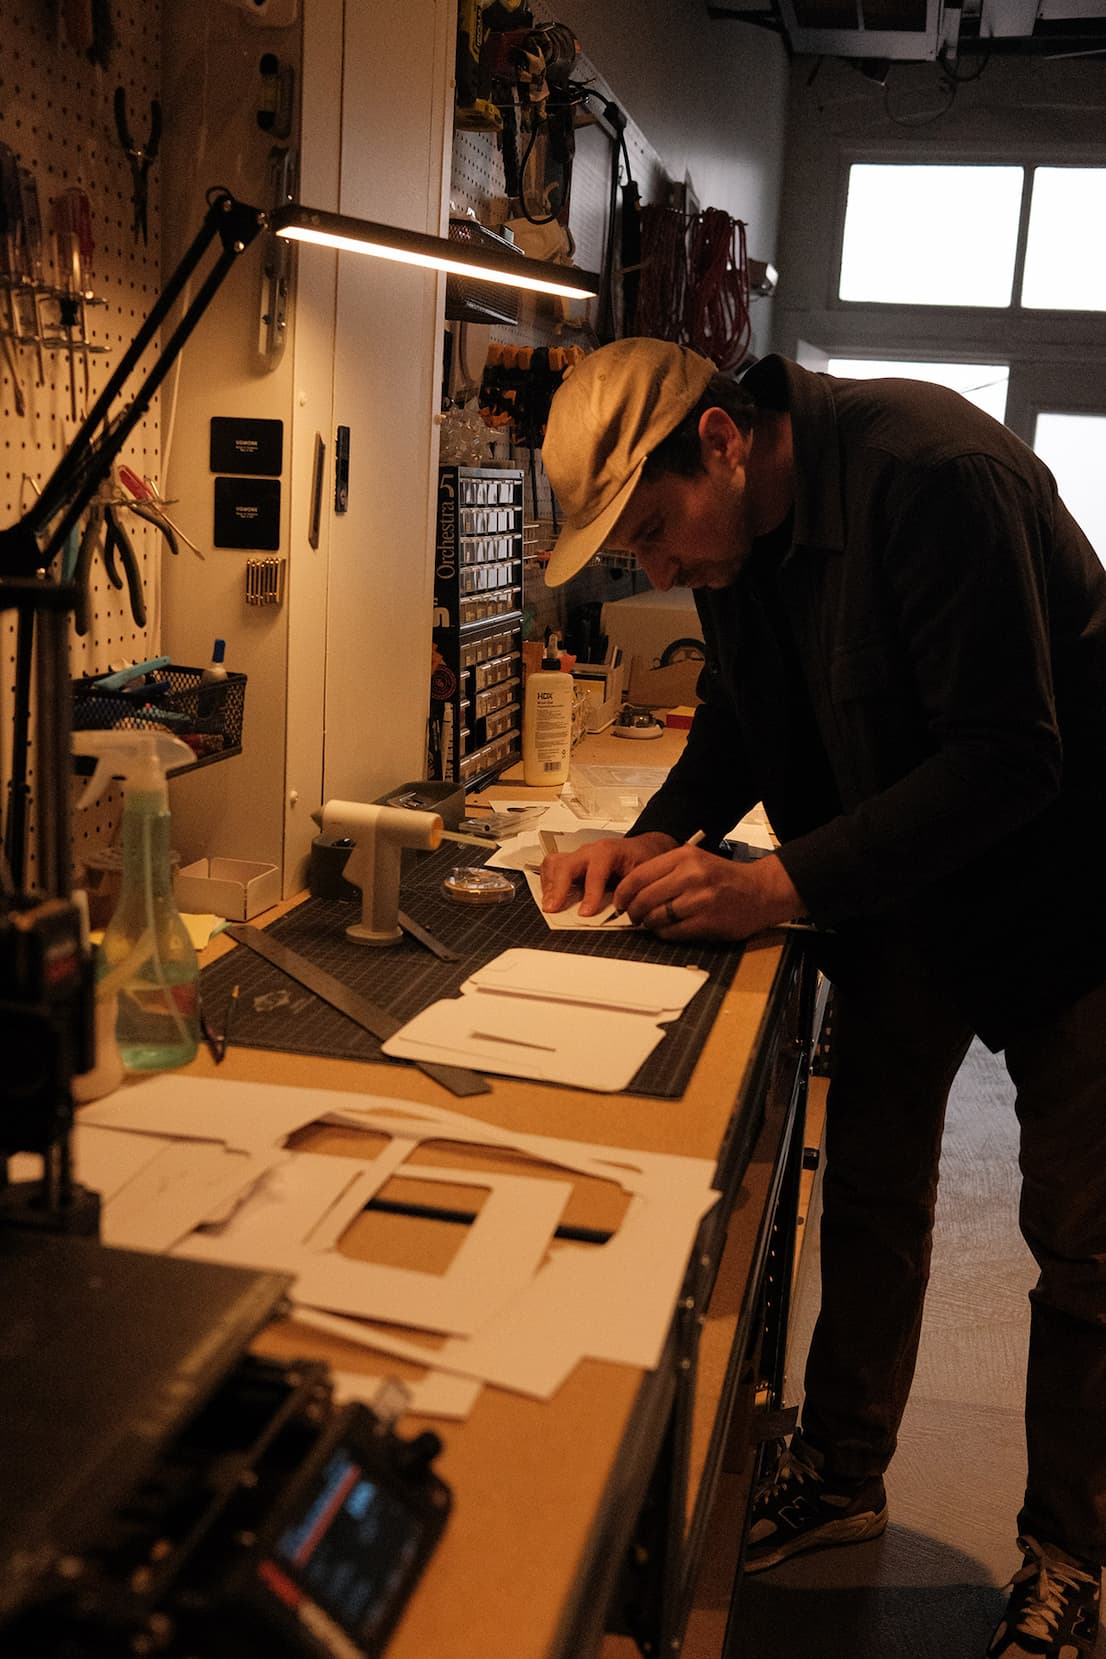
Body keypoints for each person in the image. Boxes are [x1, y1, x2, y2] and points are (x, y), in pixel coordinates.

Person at [537, 338, 1106, 1658]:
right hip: (898, 893)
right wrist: (659, 838)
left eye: (657, 534)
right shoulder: (738, 542)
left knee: (1083, 1247)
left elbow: (1005, 758)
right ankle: (842, 1477)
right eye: (636, 558)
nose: (661, 571)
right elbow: (740, 718)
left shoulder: (933, 472)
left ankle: (1069, 1556)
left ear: (723, 444)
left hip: (1069, 902)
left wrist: (773, 882)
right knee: (868, 1193)